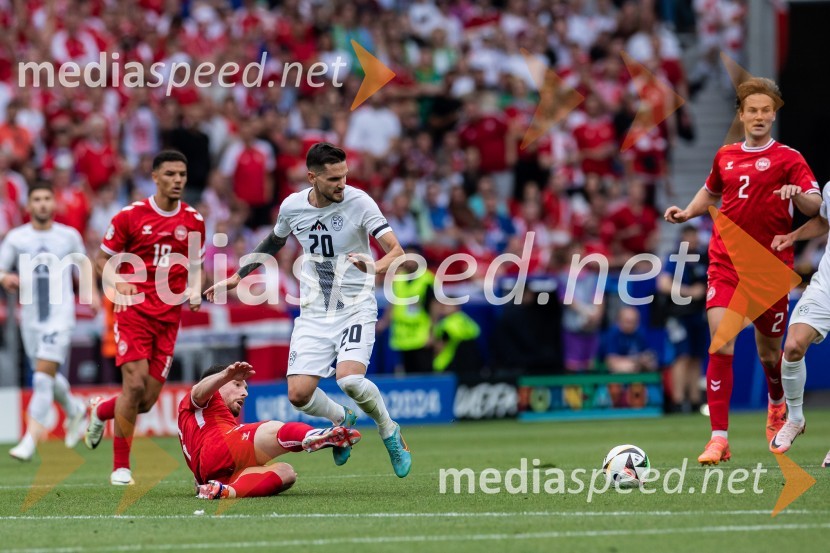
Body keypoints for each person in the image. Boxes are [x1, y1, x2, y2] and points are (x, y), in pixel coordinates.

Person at [206, 143, 412, 478]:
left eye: (344, 176)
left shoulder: (360, 202)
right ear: (312, 177)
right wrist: (238, 276)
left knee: (350, 380)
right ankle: (342, 419)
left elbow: (397, 251)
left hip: (355, 307)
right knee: (298, 395)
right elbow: (275, 240)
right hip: (315, 311)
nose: (342, 184)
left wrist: (373, 266)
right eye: (333, 179)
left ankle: (390, 431)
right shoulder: (293, 206)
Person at [664, 77, 821, 465]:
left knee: (770, 354)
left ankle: (776, 400)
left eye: (766, 110)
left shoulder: (789, 158)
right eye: (752, 110)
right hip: (726, 263)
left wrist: (796, 195)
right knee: (721, 342)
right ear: (741, 114)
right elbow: (711, 190)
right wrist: (688, 211)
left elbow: (815, 205)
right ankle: (719, 438)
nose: (759, 116)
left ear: (774, 114)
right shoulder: (726, 156)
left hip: (770, 268)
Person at [84, 150, 206, 485]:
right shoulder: (130, 216)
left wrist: (195, 289)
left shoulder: (193, 220)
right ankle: (120, 467)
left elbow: (197, 266)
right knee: (134, 385)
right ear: (154, 177)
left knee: (146, 401)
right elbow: (101, 260)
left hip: (168, 318)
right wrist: (116, 281)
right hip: (133, 310)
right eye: (169, 174)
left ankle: (101, 410)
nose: (177, 180)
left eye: (181, 174)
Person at [1, 182, 98, 461]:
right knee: (47, 375)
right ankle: (75, 409)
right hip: (31, 318)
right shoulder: (17, 238)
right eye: (37, 199)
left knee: (42, 379)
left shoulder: (67, 236)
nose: (42, 204)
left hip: (60, 316)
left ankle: (30, 440)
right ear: (28, 206)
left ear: (54, 204)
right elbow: (1, 268)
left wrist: (91, 293)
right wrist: (5, 278)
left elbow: (83, 265)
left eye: (47, 198)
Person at [179, 361, 361, 500]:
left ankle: (224, 491)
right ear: (217, 384)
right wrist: (225, 375)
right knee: (271, 429)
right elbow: (198, 391)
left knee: (286, 472)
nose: (245, 393)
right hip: (217, 448)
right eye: (237, 384)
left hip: (211, 475)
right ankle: (313, 435)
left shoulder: (203, 419)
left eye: (245, 387)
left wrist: (201, 482)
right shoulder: (203, 399)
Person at [768, 181, 830, 457]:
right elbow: (824, 221)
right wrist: (794, 236)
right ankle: (795, 419)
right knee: (793, 346)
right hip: (825, 286)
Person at [657, 225, 708, 413]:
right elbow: (663, 284)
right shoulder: (675, 258)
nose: (693, 240)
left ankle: (695, 400)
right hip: (678, 315)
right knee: (682, 355)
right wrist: (689, 292)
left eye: (695, 236)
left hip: (698, 315)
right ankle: (677, 400)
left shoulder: (703, 258)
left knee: (696, 357)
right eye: (689, 237)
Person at [376, 245, 435, 374]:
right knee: (406, 373)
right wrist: (385, 321)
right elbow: (392, 303)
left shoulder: (427, 279)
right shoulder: (398, 278)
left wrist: (432, 333)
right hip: (401, 336)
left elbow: (434, 308)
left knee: (423, 372)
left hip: (421, 335)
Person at [601, 307, 658, 374]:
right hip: (616, 373)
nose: (631, 325)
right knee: (622, 367)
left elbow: (650, 357)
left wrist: (645, 360)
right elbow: (611, 361)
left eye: (634, 321)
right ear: (619, 321)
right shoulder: (612, 334)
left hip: (637, 368)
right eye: (627, 321)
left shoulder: (641, 333)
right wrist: (636, 360)